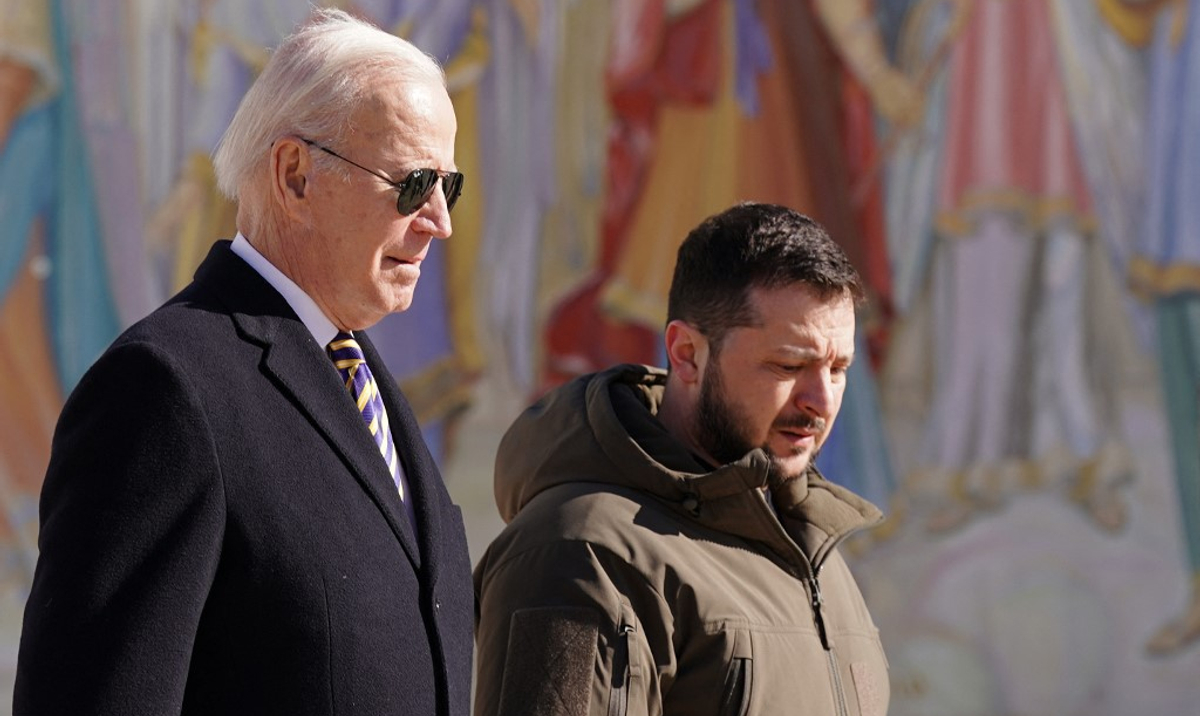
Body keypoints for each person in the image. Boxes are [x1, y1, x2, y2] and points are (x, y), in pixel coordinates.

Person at [14, 9, 474, 715]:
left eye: (450, 186)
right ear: (295, 175)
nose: (440, 221)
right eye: (414, 184)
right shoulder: (164, 390)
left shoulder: (366, 386)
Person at [474, 203, 889, 716]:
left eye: (838, 369)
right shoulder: (583, 552)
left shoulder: (815, 557)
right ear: (687, 353)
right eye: (788, 365)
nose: (821, 401)